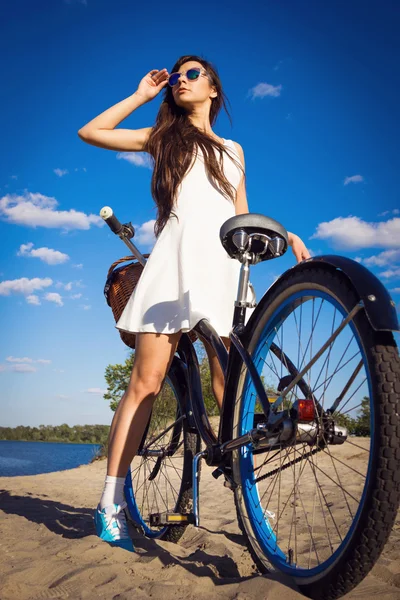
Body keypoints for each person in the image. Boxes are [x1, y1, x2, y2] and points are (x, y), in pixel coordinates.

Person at [78, 55, 310, 551]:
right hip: (173, 266)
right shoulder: (164, 138)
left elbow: (240, 214)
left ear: (213, 90)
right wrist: (142, 95)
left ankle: (245, 494)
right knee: (147, 381)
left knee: (233, 385)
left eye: (192, 74)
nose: (181, 80)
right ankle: (111, 502)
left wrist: (283, 234)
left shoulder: (235, 149)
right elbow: (91, 132)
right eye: (176, 76)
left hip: (224, 267)